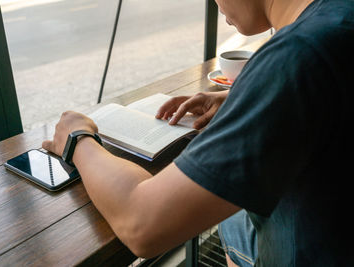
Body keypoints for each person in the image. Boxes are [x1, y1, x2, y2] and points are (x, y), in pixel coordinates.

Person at [42, 0, 354, 265]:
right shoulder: (337, 18)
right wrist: (241, 98)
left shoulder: (295, 55)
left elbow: (142, 225)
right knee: (234, 217)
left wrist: (77, 138)